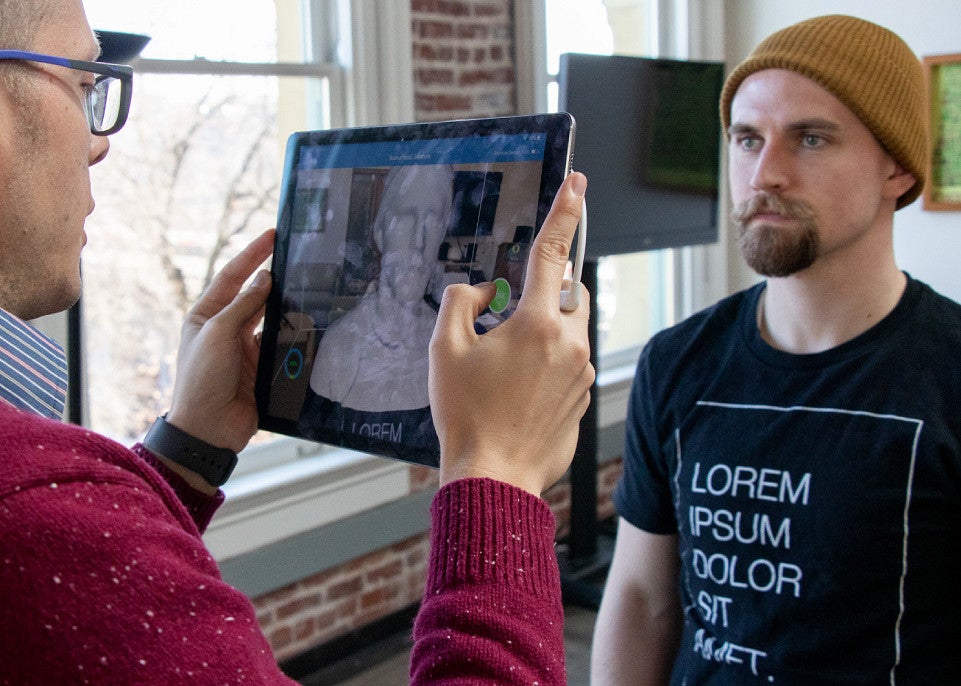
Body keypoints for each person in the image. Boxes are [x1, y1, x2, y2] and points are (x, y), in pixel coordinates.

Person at [0, 1, 593, 684]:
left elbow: (82, 616)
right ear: (378, 235)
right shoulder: (30, 505)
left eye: (432, 223)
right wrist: (500, 475)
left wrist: (187, 451)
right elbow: (58, 556)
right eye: (82, 84)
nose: (100, 141)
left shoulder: (46, 520)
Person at [591, 14, 961, 684]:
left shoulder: (947, 373)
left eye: (810, 139)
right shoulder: (676, 363)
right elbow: (642, 599)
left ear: (897, 171)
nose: (765, 174)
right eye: (745, 138)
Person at [299, 164, 454, 456]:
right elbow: (317, 454)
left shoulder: (452, 344)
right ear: (380, 232)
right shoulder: (339, 346)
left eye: (432, 225)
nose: (419, 244)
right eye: (407, 219)